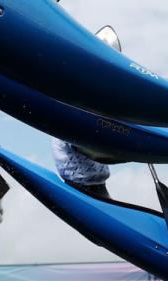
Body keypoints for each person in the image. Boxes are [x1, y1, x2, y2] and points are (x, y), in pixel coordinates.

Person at [51, 26, 121, 199]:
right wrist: (133, 151)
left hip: (97, 187)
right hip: (82, 189)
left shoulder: (87, 103)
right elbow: (92, 149)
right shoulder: (71, 105)